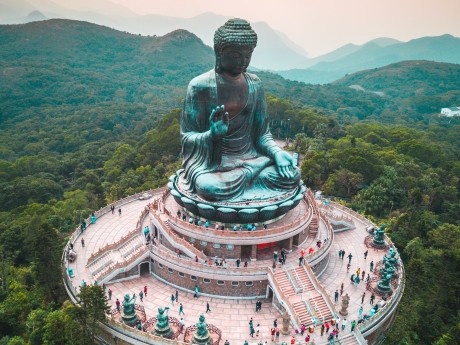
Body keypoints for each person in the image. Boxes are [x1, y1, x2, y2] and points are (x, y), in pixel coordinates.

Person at [177, 18, 300, 204]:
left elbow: (262, 134)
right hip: (215, 165)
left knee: (291, 175)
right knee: (210, 188)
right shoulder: (199, 86)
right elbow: (187, 137)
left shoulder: (255, 85)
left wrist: (276, 152)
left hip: (251, 159)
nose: (243, 61)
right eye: (235, 56)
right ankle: (247, 184)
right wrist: (212, 135)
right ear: (219, 52)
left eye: (248, 55)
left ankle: (248, 181)